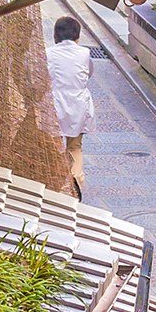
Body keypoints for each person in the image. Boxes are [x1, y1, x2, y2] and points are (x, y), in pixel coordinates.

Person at [45, 13, 95, 196]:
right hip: (79, 105)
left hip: (54, 104)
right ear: (78, 37)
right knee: (75, 146)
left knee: (54, 145)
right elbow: (89, 73)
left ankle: (57, 186)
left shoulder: (49, 53)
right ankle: (77, 184)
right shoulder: (85, 53)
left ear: (55, 36)